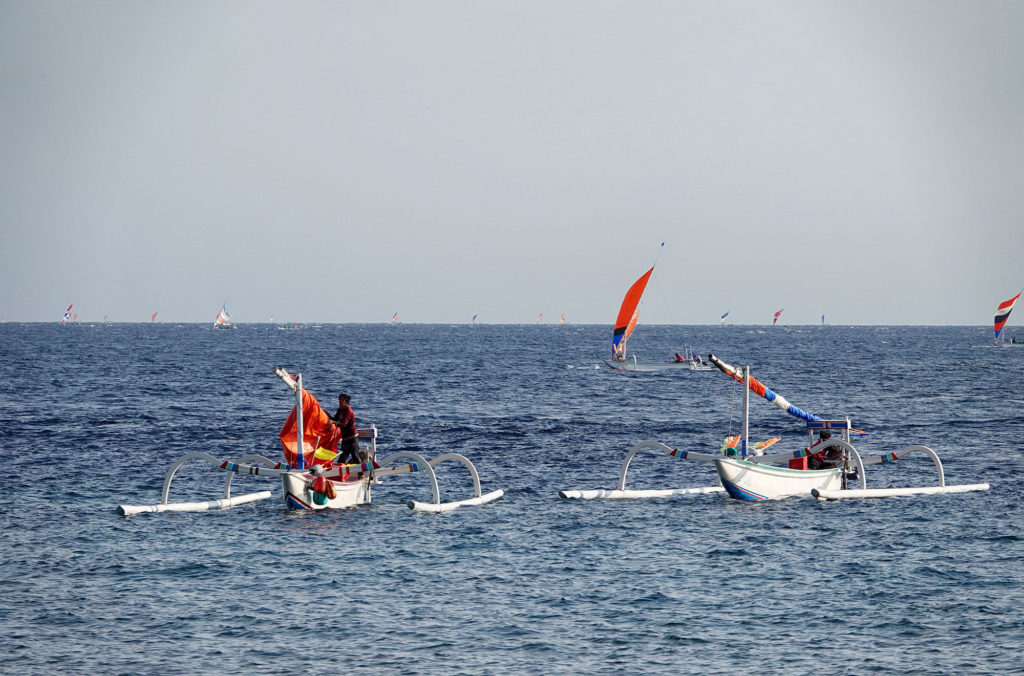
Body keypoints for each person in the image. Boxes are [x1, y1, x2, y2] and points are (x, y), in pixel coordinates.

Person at [329, 393, 361, 465]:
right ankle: (339, 474)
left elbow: (343, 424)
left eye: (342, 400)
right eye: (339, 400)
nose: (340, 402)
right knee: (342, 459)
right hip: (345, 439)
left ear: (346, 402)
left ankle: (361, 474)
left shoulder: (348, 410)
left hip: (352, 438)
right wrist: (327, 414)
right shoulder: (340, 410)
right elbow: (335, 419)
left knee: (355, 457)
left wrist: (333, 422)